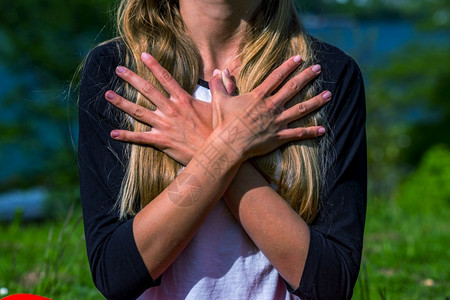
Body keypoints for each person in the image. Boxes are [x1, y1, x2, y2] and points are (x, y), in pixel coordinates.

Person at [78, 0, 367, 299]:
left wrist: (217, 146)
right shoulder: (117, 71)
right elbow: (114, 273)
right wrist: (228, 145)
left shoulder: (326, 76)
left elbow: (333, 282)